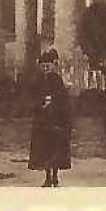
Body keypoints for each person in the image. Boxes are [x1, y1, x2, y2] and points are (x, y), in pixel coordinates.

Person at [27, 48, 72, 187]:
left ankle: (55, 175)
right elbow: (31, 98)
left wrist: (53, 102)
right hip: (42, 121)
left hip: (56, 120)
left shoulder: (57, 80)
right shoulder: (38, 80)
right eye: (43, 66)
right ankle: (47, 176)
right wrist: (41, 103)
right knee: (44, 149)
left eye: (48, 65)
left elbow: (63, 99)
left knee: (55, 148)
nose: (46, 68)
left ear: (52, 65)